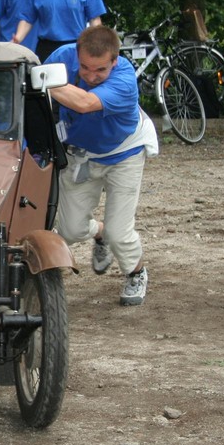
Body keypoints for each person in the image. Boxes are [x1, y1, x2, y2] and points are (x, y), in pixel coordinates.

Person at [46, 25, 158, 306]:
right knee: (69, 231)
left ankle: (136, 272)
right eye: (85, 67)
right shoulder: (61, 57)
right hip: (81, 153)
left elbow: (84, 103)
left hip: (124, 152)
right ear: (77, 54)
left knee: (119, 232)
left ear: (114, 61)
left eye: (100, 70)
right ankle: (99, 232)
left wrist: (43, 79)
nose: (91, 76)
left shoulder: (124, 80)